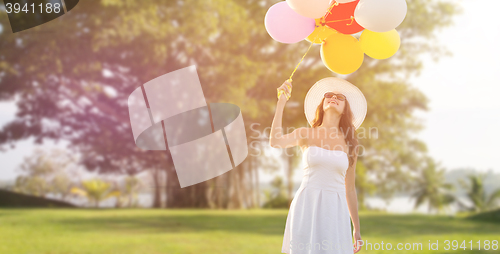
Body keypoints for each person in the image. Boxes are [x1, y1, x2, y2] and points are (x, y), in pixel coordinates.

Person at [270, 77, 367, 253]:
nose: (334, 97)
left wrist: (357, 230)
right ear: (322, 104)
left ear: (345, 109)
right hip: (307, 204)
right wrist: (281, 103)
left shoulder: (351, 143)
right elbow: (275, 141)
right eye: (329, 94)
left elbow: (350, 189)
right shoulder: (305, 134)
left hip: (335, 210)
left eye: (340, 97)